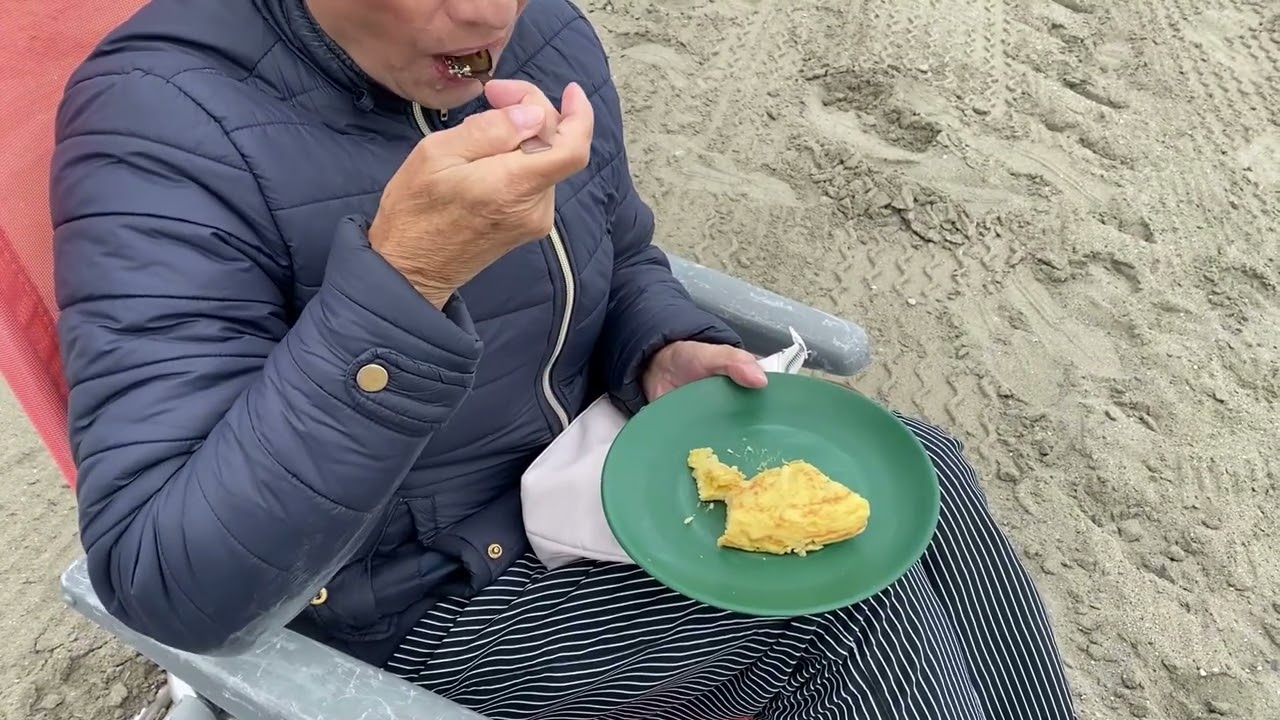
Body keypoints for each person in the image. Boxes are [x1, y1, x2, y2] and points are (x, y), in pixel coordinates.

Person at [50, 0, 1079, 718]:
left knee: (924, 473)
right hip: (413, 594)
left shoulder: (539, 29)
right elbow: (167, 585)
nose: (488, 18)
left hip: (591, 474)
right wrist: (403, 283)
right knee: (844, 621)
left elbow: (619, 248)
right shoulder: (154, 135)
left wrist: (660, 341)